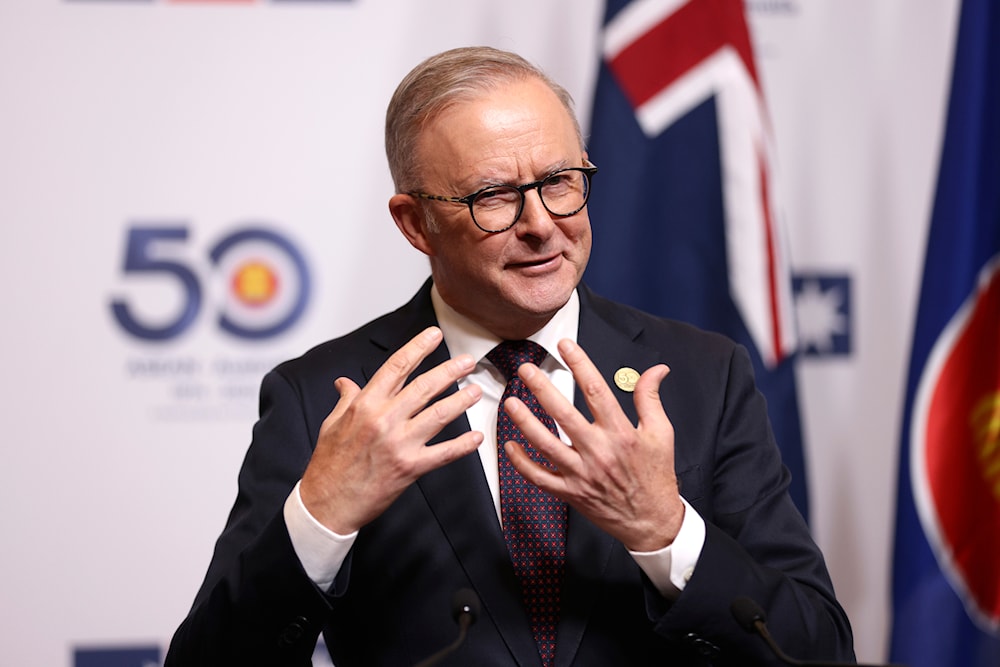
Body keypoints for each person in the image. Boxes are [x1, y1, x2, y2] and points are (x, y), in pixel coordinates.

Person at [165, 46, 854, 666]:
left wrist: (666, 531)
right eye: (493, 196)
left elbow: (818, 648)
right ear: (415, 223)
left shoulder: (703, 374)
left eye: (559, 180)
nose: (541, 224)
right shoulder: (324, 397)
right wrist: (319, 520)